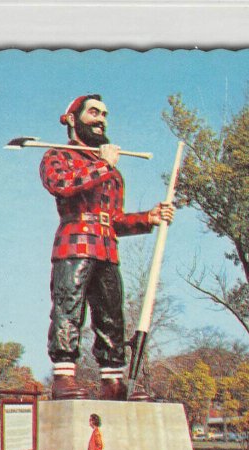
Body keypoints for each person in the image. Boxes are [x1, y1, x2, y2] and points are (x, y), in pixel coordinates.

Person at [41, 94, 174, 400]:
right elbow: (62, 185)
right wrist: (102, 165)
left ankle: (112, 381)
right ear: (73, 119)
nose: (101, 119)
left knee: (112, 316)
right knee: (68, 309)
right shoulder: (57, 156)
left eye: (104, 114)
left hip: (107, 250)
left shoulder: (111, 171)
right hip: (73, 247)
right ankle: (63, 377)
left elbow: (113, 219)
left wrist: (149, 217)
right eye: (93, 112)